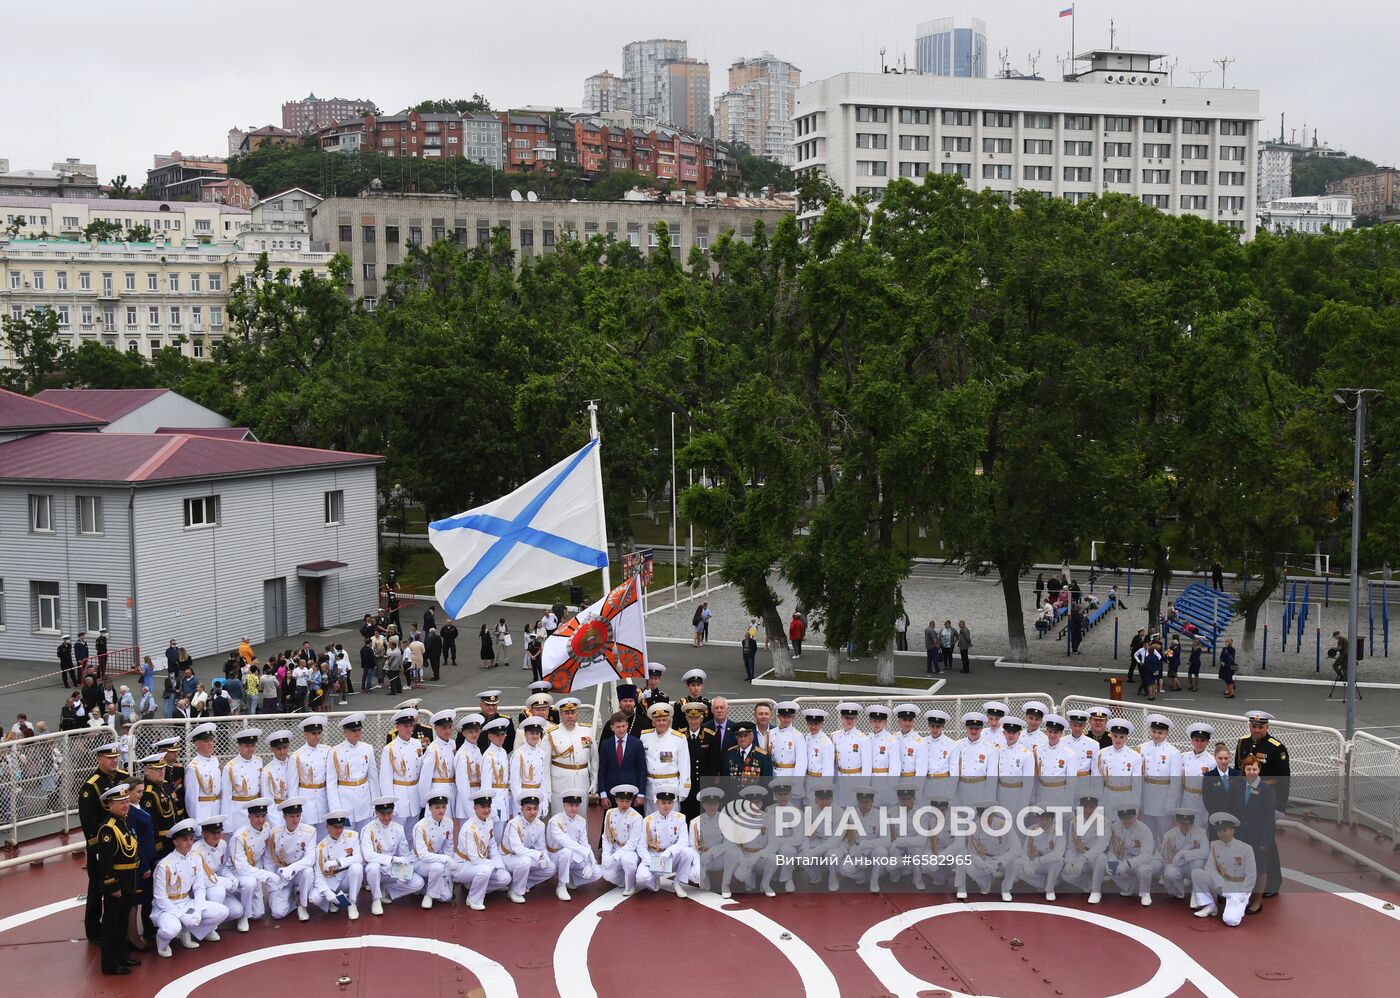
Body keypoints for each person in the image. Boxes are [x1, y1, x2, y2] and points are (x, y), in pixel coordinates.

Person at [151, 819, 228, 958]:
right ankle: (162, 942)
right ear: (175, 842)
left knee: (222, 912)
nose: (189, 843)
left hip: (186, 901)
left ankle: (187, 933)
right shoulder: (165, 865)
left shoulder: (195, 860)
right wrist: (181, 915)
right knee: (171, 930)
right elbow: (160, 898)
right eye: (185, 839)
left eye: (192, 839)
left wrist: (198, 910)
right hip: (167, 907)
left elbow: (199, 888)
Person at [1234, 710, 1289, 896]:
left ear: (1267, 727)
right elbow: (1237, 772)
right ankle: (1247, 879)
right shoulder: (1243, 742)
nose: (1256, 730)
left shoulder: (1276, 748)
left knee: (1267, 842)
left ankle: (1273, 883)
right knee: (1244, 838)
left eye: (1260, 727)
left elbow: (1284, 779)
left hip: (1267, 799)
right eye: (1254, 726)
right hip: (1246, 798)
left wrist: (1280, 807)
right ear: (1249, 726)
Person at [94, 783, 141, 975]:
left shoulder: (125, 822)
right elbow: (105, 862)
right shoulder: (108, 829)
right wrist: (112, 884)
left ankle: (122, 955)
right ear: (110, 805)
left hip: (129, 878)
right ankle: (110, 963)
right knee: (112, 923)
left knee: (122, 921)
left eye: (127, 801)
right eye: (120, 802)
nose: (125, 805)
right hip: (118, 881)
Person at [361, 797, 425, 914]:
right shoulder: (368, 829)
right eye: (382, 814)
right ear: (376, 813)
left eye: (389, 813)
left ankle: (386, 889)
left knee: (418, 883)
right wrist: (393, 859)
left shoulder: (398, 829)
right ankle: (376, 899)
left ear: (393, 811)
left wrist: (405, 870)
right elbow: (368, 856)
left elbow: (405, 854)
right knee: (373, 867)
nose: (386, 817)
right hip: (374, 870)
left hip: (391, 869)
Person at [1191, 812, 1256, 926]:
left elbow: (1251, 875)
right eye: (1219, 831)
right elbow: (1209, 867)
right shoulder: (1215, 845)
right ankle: (1210, 905)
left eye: (1225, 830)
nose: (1222, 833)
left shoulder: (1246, 849)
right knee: (1197, 874)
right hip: (1222, 883)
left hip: (1238, 887)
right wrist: (1221, 883)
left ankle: (1241, 902)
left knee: (1230, 921)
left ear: (1232, 830)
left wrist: (1242, 894)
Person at [1088, 806, 1160, 906]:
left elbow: (1146, 856)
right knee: (1111, 868)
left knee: (1144, 870)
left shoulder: (1144, 830)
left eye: (1130, 817)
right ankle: (1129, 886)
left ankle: (1145, 893)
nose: (1128, 821)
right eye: (1124, 818)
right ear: (1119, 818)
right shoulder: (1115, 827)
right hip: (1125, 858)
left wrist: (1127, 864)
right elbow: (1112, 850)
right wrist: (1112, 862)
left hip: (1148, 860)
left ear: (1136, 816)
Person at [632, 788, 697, 897]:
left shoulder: (680, 818)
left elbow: (683, 841)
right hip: (653, 856)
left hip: (671, 857)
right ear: (657, 803)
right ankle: (654, 879)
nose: (667, 806)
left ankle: (677, 883)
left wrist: (669, 852)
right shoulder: (647, 820)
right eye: (663, 802)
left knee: (688, 852)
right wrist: (652, 862)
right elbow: (641, 846)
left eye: (670, 803)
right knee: (641, 878)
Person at [229, 798, 278, 931]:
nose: (261, 820)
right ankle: (243, 916)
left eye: (263, 816)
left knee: (257, 914)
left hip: (254, 868)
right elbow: (241, 867)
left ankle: (244, 902)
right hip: (236, 872)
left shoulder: (266, 828)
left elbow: (266, 854)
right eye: (257, 816)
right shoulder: (239, 836)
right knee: (250, 882)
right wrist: (264, 874)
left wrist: (270, 873)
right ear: (249, 816)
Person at [1237, 754, 1277, 914]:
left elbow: (1269, 818)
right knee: (1242, 867)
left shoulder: (1266, 791)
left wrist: (1265, 840)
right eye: (1248, 769)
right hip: (1241, 835)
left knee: (1260, 868)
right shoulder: (1239, 787)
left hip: (1258, 836)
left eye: (1254, 768)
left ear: (1259, 769)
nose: (1251, 772)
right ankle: (1244, 897)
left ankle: (1258, 900)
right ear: (1244, 770)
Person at [266, 799, 317, 921]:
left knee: (308, 872)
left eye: (298, 816)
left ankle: (302, 904)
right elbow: (269, 860)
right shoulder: (274, 833)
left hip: (299, 872)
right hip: (282, 874)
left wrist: (292, 868)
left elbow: (310, 858)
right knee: (277, 913)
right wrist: (273, 885)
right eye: (291, 816)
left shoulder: (309, 831)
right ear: (284, 817)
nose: (295, 820)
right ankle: (291, 898)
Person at [1002, 808, 1066, 901]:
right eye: (1041, 819)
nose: (1044, 822)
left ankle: (1050, 890)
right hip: (1035, 864)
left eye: (1047, 819)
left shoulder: (1059, 832)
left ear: (1052, 819)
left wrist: (1039, 861)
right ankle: (1045, 884)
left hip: (1049, 865)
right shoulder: (1032, 829)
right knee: (1018, 866)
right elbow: (1025, 851)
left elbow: (1057, 854)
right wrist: (1026, 865)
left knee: (1058, 861)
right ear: (1037, 818)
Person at [547, 791, 601, 901]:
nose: (574, 808)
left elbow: (585, 843)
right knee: (567, 851)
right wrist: (587, 855)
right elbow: (567, 842)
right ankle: (561, 885)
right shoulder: (555, 821)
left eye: (577, 805)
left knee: (597, 873)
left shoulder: (581, 821)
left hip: (574, 855)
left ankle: (571, 879)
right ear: (564, 805)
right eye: (571, 805)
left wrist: (590, 861)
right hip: (555, 856)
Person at [311, 811, 364, 920]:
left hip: (347, 879)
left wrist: (337, 863)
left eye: (341, 827)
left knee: (357, 868)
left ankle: (352, 903)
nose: (339, 831)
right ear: (327, 827)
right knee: (314, 898)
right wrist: (327, 893)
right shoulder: (321, 847)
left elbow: (359, 858)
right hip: (331, 882)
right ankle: (332, 901)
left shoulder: (352, 836)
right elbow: (319, 875)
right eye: (335, 827)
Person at [413, 793, 459, 909]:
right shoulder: (420, 826)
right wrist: (446, 859)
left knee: (446, 897)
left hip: (435, 860)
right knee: (437, 867)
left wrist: (448, 876)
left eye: (443, 807)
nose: (441, 810)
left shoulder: (449, 823)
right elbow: (423, 855)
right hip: (418, 863)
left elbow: (448, 848)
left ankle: (425, 887)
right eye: (437, 807)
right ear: (430, 808)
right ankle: (429, 895)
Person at [600, 784, 644, 895]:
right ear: (616, 800)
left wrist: (614, 857)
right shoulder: (610, 813)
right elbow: (606, 836)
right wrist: (606, 855)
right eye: (622, 801)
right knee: (606, 874)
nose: (625, 804)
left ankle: (631, 885)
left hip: (631, 851)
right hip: (616, 847)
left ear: (632, 801)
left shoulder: (636, 817)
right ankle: (623, 879)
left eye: (628, 801)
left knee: (627, 861)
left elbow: (633, 843)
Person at [1159, 807, 1209, 900]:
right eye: (1182, 823)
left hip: (1192, 866)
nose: (1185, 826)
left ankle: (1197, 894)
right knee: (1170, 874)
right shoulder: (1169, 835)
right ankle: (1178, 892)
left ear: (1193, 822)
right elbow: (1165, 857)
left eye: (1188, 823)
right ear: (1177, 822)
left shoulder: (1201, 833)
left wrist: (1183, 853)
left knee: (1199, 862)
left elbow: (1205, 853)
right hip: (1176, 865)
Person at [1201, 742, 1244, 837]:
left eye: (1226, 758)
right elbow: (1207, 800)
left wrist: (1234, 816)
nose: (1223, 761)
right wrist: (1218, 817)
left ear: (1230, 757)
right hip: (1216, 820)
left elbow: (1240, 797)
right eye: (1220, 758)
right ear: (1215, 757)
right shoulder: (1208, 776)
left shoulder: (1237, 775)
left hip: (1234, 819)